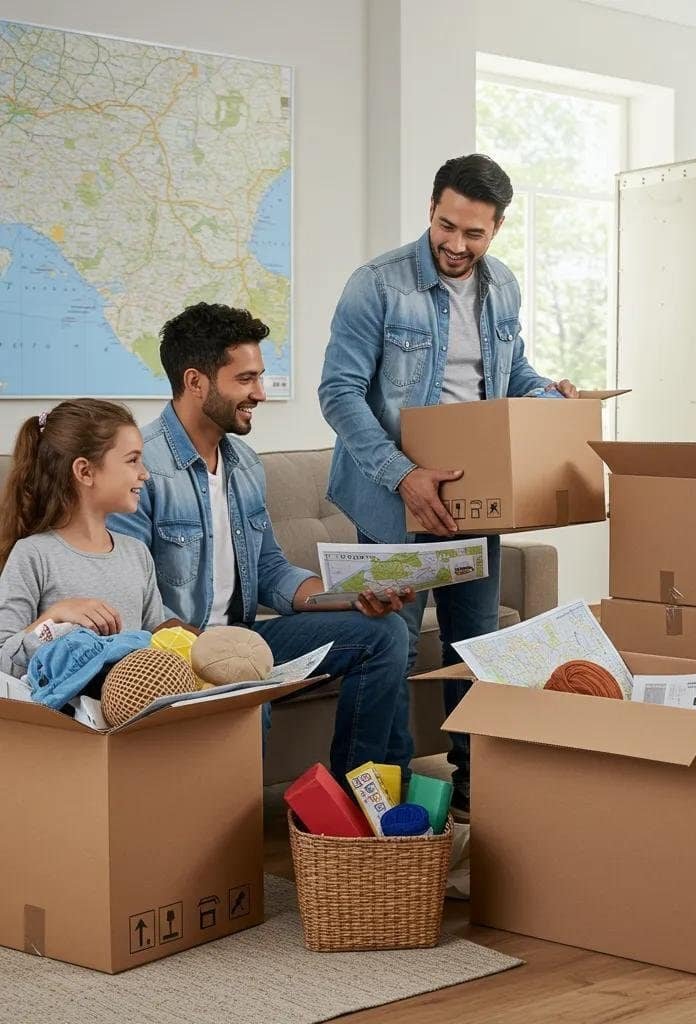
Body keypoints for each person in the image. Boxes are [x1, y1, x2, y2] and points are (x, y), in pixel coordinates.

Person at [319, 153, 578, 817]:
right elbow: (339, 392)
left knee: (478, 644)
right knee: (390, 647)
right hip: (389, 501)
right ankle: (377, 802)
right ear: (430, 210)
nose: (456, 245)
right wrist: (403, 475)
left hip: (475, 498)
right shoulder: (376, 285)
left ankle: (472, 788)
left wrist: (550, 394)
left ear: (496, 230)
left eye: (474, 233)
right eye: (446, 226)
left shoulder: (505, 288)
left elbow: (509, 373)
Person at [108, 302, 413, 783]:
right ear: (196, 382)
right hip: (170, 649)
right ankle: (233, 841)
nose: (260, 393)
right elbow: (127, 598)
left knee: (384, 633)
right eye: (245, 379)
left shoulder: (245, 465)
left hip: (244, 638)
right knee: (244, 689)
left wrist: (345, 598)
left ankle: (360, 806)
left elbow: (270, 570)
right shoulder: (138, 467)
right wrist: (220, 653)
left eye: (261, 377)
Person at [0, 400, 167, 678]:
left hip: (135, 712)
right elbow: (4, 661)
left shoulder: (137, 553)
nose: (144, 473)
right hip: (62, 719)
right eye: (132, 460)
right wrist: (54, 619)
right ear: (85, 472)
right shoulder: (33, 555)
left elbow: (157, 649)